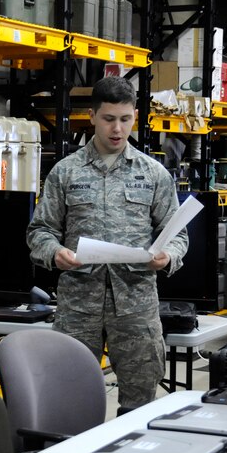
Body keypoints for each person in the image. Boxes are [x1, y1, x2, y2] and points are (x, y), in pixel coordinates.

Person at [27, 76, 189, 414]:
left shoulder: (154, 174)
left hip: (136, 306)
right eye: (109, 119)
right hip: (77, 307)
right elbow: (40, 230)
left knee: (140, 402)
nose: (117, 129)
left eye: (125, 119)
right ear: (92, 116)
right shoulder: (65, 172)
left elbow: (178, 234)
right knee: (68, 398)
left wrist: (167, 256)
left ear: (135, 117)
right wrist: (54, 253)